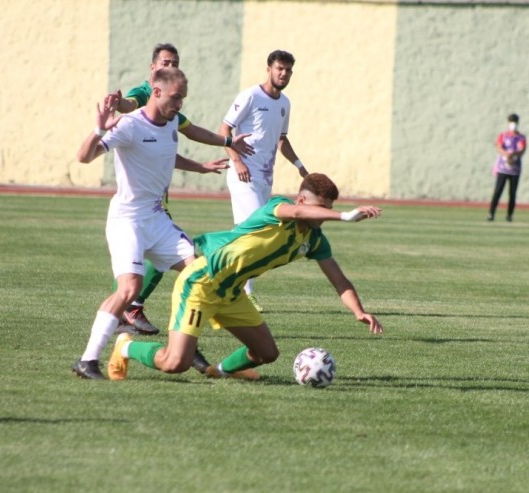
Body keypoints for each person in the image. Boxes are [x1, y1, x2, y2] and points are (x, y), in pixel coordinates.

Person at [106, 173, 383, 382]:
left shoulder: (314, 240)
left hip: (232, 293)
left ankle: (221, 371)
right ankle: (127, 347)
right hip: (202, 284)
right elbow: (297, 212)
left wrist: (359, 311)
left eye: (328, 209)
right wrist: (345, 216)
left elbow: (339, 280)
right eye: (320, 209)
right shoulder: (277, 210)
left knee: (267, 354)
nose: (322, 216)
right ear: (302, 200)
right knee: (175, 363)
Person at [72, 67, 230, 380]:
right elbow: (83, 156)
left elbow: (164, 155)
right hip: (127, 218)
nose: (180, 104)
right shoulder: (129, 124)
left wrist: (199, 167)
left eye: (183, 97)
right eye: (175, 97)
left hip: (156, 217)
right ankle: (88, 360)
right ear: (156, 92)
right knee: (129, 289)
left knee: (198, 273)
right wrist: (99, 129)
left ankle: (182, 342)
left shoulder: (171, 121)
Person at [111, 43, 253, 336]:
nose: (170, 67)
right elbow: (127, 105)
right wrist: (118, 105)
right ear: (153, 69)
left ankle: (131, 307)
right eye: (165, 62)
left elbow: (191, 129)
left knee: (164, 256)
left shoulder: (173, 104)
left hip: (155, 195)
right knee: (153, 258)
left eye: (174, 62)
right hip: (138, 198)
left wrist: (224, 145)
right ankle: (130, 307)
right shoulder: (146, 92)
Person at [218, 49, 309, 313]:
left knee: (246, 234)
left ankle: (223, 277)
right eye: (279, 68)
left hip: (265, 178)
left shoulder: (284, 103)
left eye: (288, 70)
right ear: (269, 68)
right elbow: (224, 129)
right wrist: (237, 160)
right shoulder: (250, 96)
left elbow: (282, 139)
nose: (284, 74)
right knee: (255, 233)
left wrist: (301, 168)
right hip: (243, 174)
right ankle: (242, 293)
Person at [487, 113, 527, 222]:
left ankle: (509, 215)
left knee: (512, 193)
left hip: (515, 170)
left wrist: (514, 154)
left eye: (514, 122)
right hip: (502, 168)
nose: (512, 124)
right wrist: (506, 154)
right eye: (511, 122)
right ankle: (491, 213)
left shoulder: (521, 137)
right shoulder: (503, 136)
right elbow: (499, 147)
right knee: (498, 191)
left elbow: (521, 150)